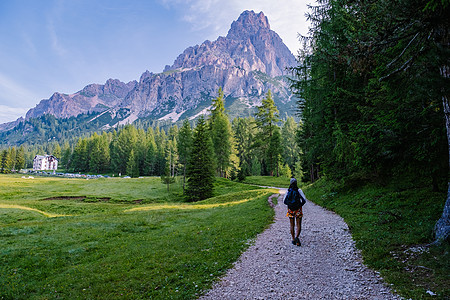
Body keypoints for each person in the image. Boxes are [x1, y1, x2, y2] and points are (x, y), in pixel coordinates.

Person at [284, 177, 307, 246]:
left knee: (292, 225)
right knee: (298, 224)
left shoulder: (288, 191)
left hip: (290, 210)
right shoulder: (299, 190)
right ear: (296, 183)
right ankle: (297, 237)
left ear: (290, 183)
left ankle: (293, 239)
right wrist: (299, 205)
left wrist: (290, 205)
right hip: (298, 210)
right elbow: (304, 200)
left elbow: (284, 201)